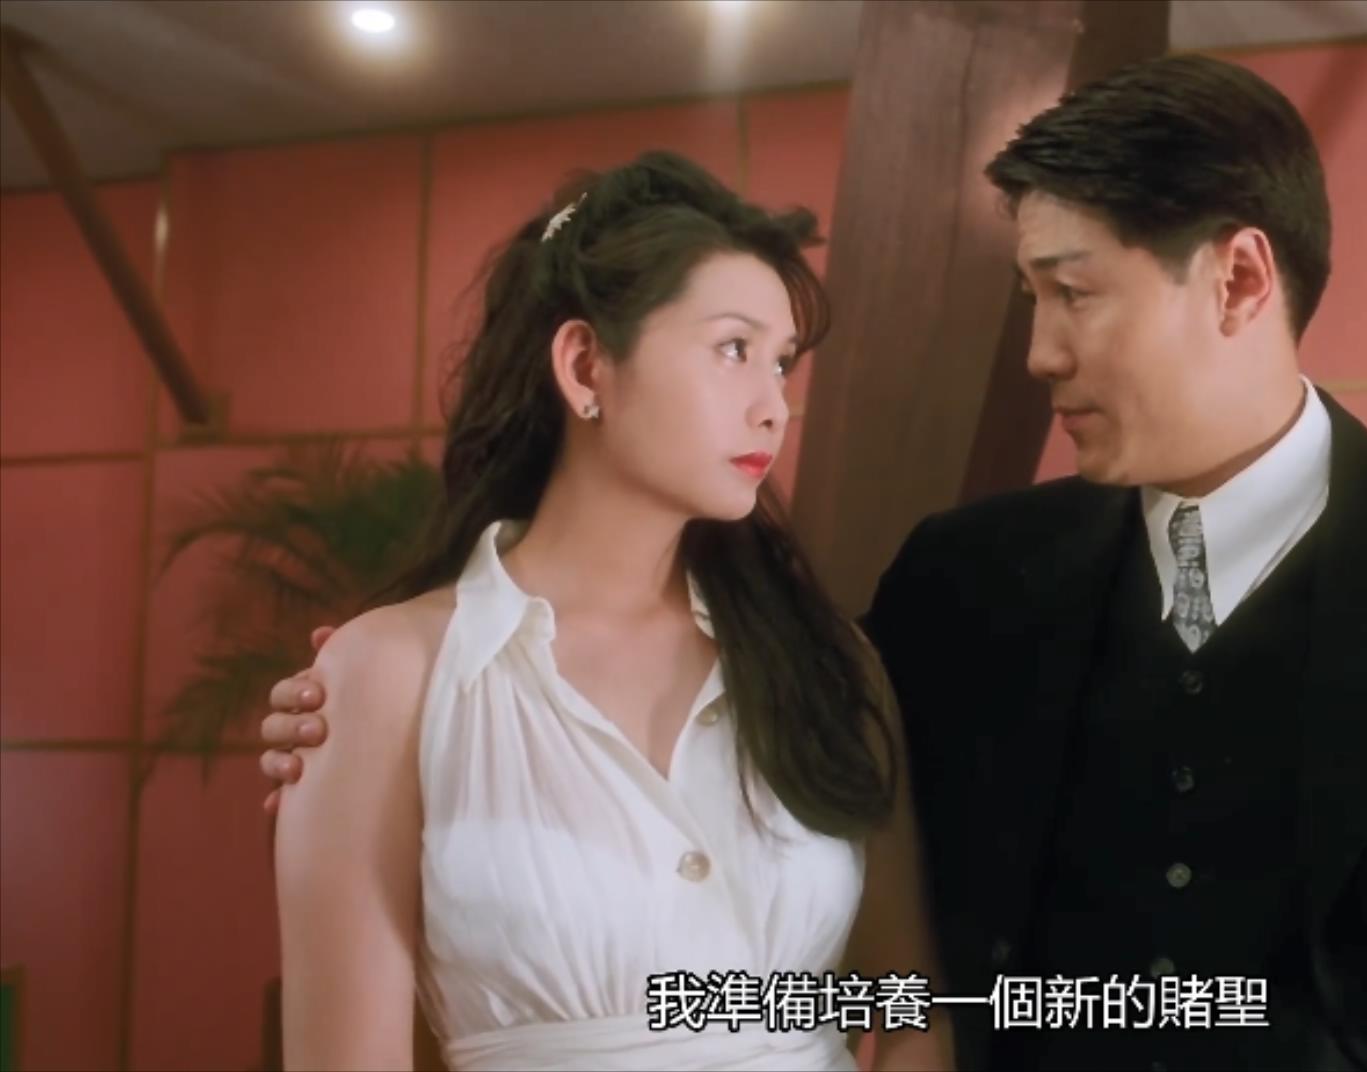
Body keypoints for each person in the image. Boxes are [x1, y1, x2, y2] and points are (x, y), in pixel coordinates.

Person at [261, 55, 1367, 1071]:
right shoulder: (964, 585)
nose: (1039, 353)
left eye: (1072, 294)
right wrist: (366, 709)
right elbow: (822, 855)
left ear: (1240, 277)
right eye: (1025, 297)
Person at [265, 150, 952, 1071]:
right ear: (586, 364)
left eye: (782, 364)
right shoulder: (392, 671)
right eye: (734, 349)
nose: (774, 408)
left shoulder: (826, 664)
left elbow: (909, 1007)